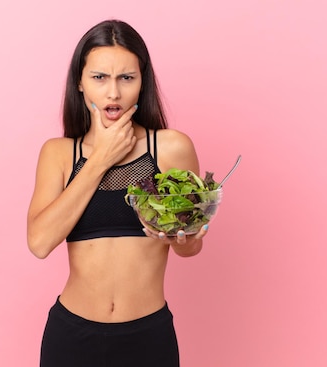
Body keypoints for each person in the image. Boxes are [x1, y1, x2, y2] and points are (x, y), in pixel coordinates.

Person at [27, 19, 209, 367]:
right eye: (99, 78)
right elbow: (39, 242)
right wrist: (100, 159)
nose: (113, 93)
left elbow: (192, 246)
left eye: (127, 78)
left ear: (142, 83)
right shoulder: (59, 154)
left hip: (148, 337)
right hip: (71, 337)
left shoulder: (170, 148)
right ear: (80, 83)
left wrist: (184, 239)